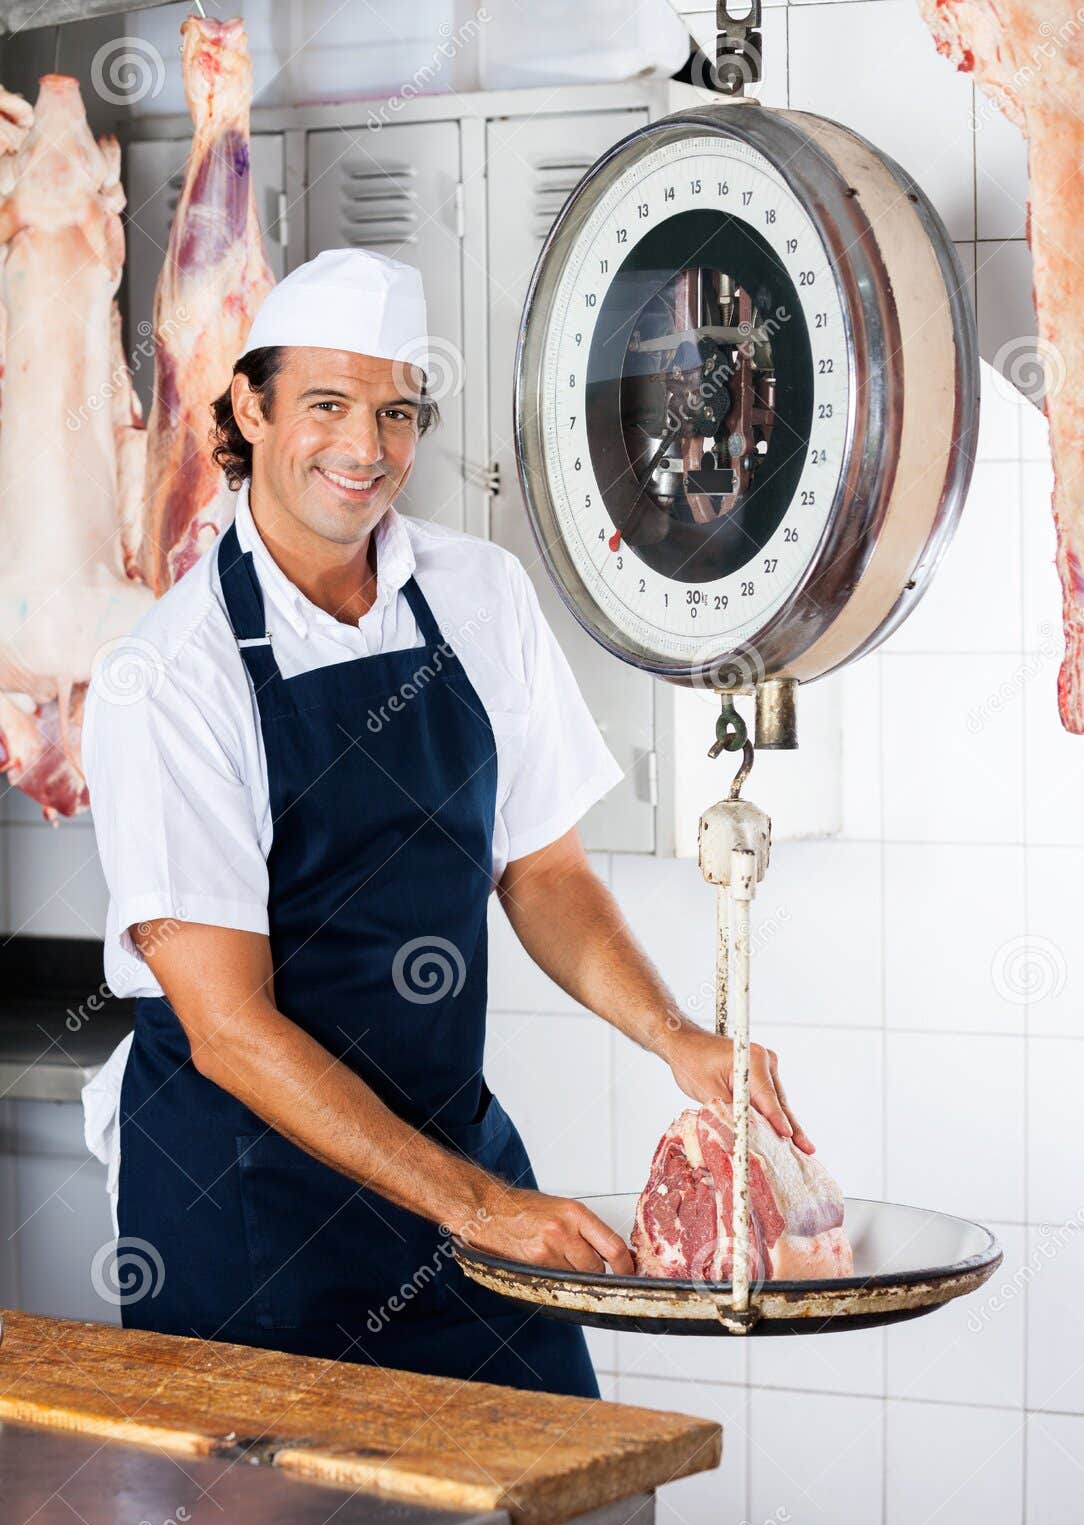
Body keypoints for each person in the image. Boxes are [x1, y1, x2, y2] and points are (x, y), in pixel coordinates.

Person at [82, 248, 810, 1398]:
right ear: (250, 409)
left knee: (550, 1487)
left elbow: (544, 875)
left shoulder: (478, 594)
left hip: (444, 1149)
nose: (364, 448)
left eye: (396, 411)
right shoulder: (172, 674)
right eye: (326, 405)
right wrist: (483, 1206)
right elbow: (226, 1028)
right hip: (244, 1198)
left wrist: (675, 1037)